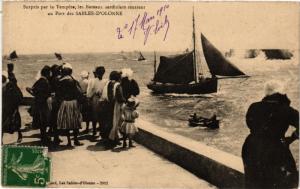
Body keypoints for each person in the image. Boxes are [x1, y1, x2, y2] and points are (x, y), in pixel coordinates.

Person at [242, 80, 299, 188]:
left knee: (254, 182)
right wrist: (292, 138)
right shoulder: (286, 110)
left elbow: (250, 124)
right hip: (275, 149)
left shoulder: (253, 107)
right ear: (282, 93)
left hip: (251, 147)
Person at [56, 63, 83, 147]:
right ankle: (75, 140)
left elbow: (58, 94)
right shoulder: (73, 80)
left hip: (65, 102)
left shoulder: (60, 80)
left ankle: (69, 141)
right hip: (73, 102)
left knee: (66, 122)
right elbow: (79, 92)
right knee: (75, 122)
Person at [101, 71, 125, 146]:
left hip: (107, 105)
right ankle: (113, 139)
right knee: (116, 122)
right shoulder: (117, 85)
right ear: (118, 77)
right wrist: (125, 101)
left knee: (109, 122)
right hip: (115, 105)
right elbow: (120, 98)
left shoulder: (108, 83)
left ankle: (110, 138)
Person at [30, 66, 52, 145]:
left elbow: (32, 89)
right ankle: (44, 137)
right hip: (43, 103)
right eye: (49, 72)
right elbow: (47, 92)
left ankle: (43, 136)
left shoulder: (39, 80)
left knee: (41, 120)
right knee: (44, 121)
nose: (50, 74)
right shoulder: (44, 81)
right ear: (47, 73)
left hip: (38, 102)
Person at [2, 71, 23, 143]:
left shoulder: (10, 86)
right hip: (6, 108)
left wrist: (15, 107)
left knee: (15, 124)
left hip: (11, 108)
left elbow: (18, 97)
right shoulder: (5, 85)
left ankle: (19, 136)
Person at [86, 66, 107, 136]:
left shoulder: (92, 81)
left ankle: (95, 130)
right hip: (102, 99)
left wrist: (89, 98)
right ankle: (100, 130)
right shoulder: (105, 81)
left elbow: (89, 92)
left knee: (95, 114)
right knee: (101, 115)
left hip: (95, 99)